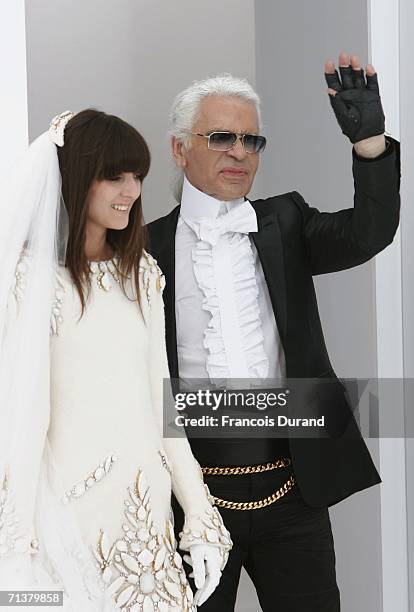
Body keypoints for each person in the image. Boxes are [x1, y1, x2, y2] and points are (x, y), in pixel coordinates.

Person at [146, 52, 401, 611]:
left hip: (293, 489)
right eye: (220, 138)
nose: (239, 153)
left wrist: (371, 144)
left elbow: (368, 233)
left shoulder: (283, 222)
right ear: (179, 147)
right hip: (188, 500)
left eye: (251, 141)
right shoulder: (142, 250)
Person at [0, 109, 232, 611]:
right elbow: (24, 417)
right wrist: (16, 544)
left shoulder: (142, 274)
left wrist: (200, 513)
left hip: (147, 516)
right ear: (76, 176)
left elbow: (161, 407)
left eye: (138, 177)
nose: (130, 190)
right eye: (114, 176)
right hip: (71, 515)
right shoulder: (32, 279)